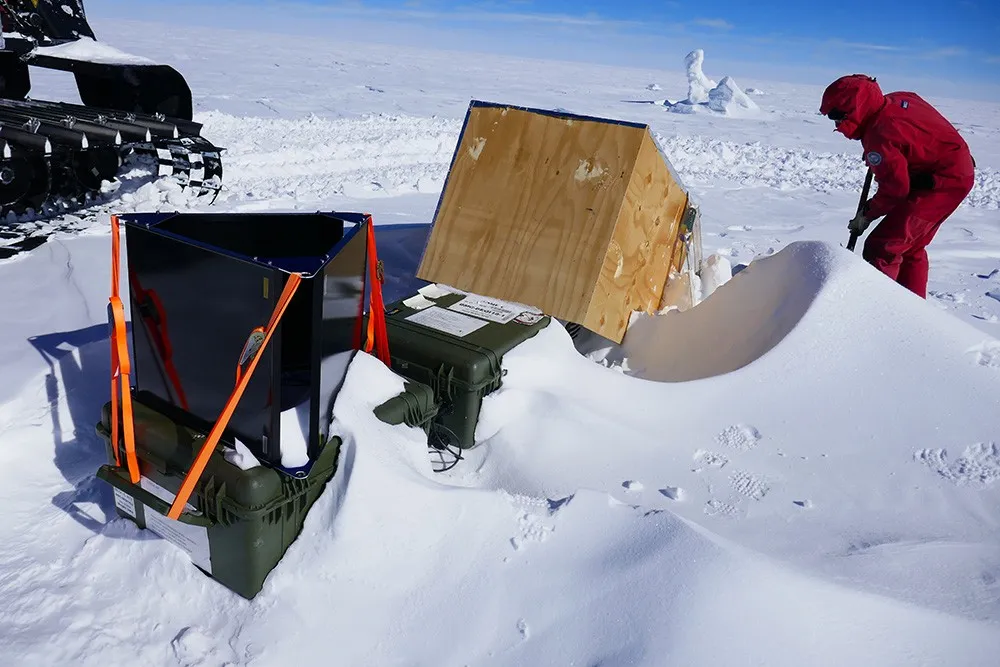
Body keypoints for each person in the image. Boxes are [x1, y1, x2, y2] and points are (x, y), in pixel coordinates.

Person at [819, 74, 976, 298]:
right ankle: (912, 308)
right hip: (952, 171)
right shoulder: (897, 99)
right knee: (911, 248)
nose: (836, 125)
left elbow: (895, 190)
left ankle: (883, 310)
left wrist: (867, 214)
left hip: (941, 184)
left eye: (837, 117)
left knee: (883, 247)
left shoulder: (880, 135)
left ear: (854, 109)